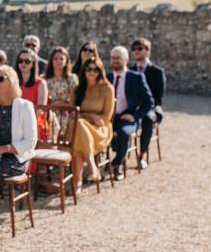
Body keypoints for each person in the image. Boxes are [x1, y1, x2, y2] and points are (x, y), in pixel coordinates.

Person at [0, 64, 37, 241]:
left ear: (12, 82)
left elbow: (31, 141)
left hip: (16, 158)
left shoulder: (25, 106)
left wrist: (4, 149)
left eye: (0, 79)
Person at [106, 46, 155, 181]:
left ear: (126, 60)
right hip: (108, 118)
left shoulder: (137, 77)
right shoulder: (106, 78)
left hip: (127, 117)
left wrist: (135, 116)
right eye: (113, 58)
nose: (115, 60)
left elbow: (149, 102)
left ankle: (117, 164)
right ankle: (97, 165)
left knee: (124, 133)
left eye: (118, 58)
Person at [71, 58, 115, 192]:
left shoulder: (107, 89)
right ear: (84, 70)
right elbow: (73, 113)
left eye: (95, 69)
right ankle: (92, 166)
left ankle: (77, 183)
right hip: (80, 126)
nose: (91, 72)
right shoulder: (78, 89)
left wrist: (85, 115)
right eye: (88, 69)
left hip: (99, 129)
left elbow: (106, 118)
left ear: (100, 71)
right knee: (79, 128)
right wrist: (90, 116)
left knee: (78, 141)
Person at [129, 38, 166, 169]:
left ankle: (142, 155)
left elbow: (158, 97)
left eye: (139, 48)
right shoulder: (129, 70)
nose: (136, 51)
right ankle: (119, 157)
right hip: (132, 107)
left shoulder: (157, 72)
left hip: (151, 107)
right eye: (134, 49)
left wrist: (143, 107)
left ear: (147, 51)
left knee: (147, 118)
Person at [44, 46, 79, 139]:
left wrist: (61, 105)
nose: (58, 61)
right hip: (49, 111)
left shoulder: (72, 79)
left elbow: (74, 101)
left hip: (66, 112)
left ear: (66, 61)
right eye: (55, 58)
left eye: (61, 59)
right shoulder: (44, 79)